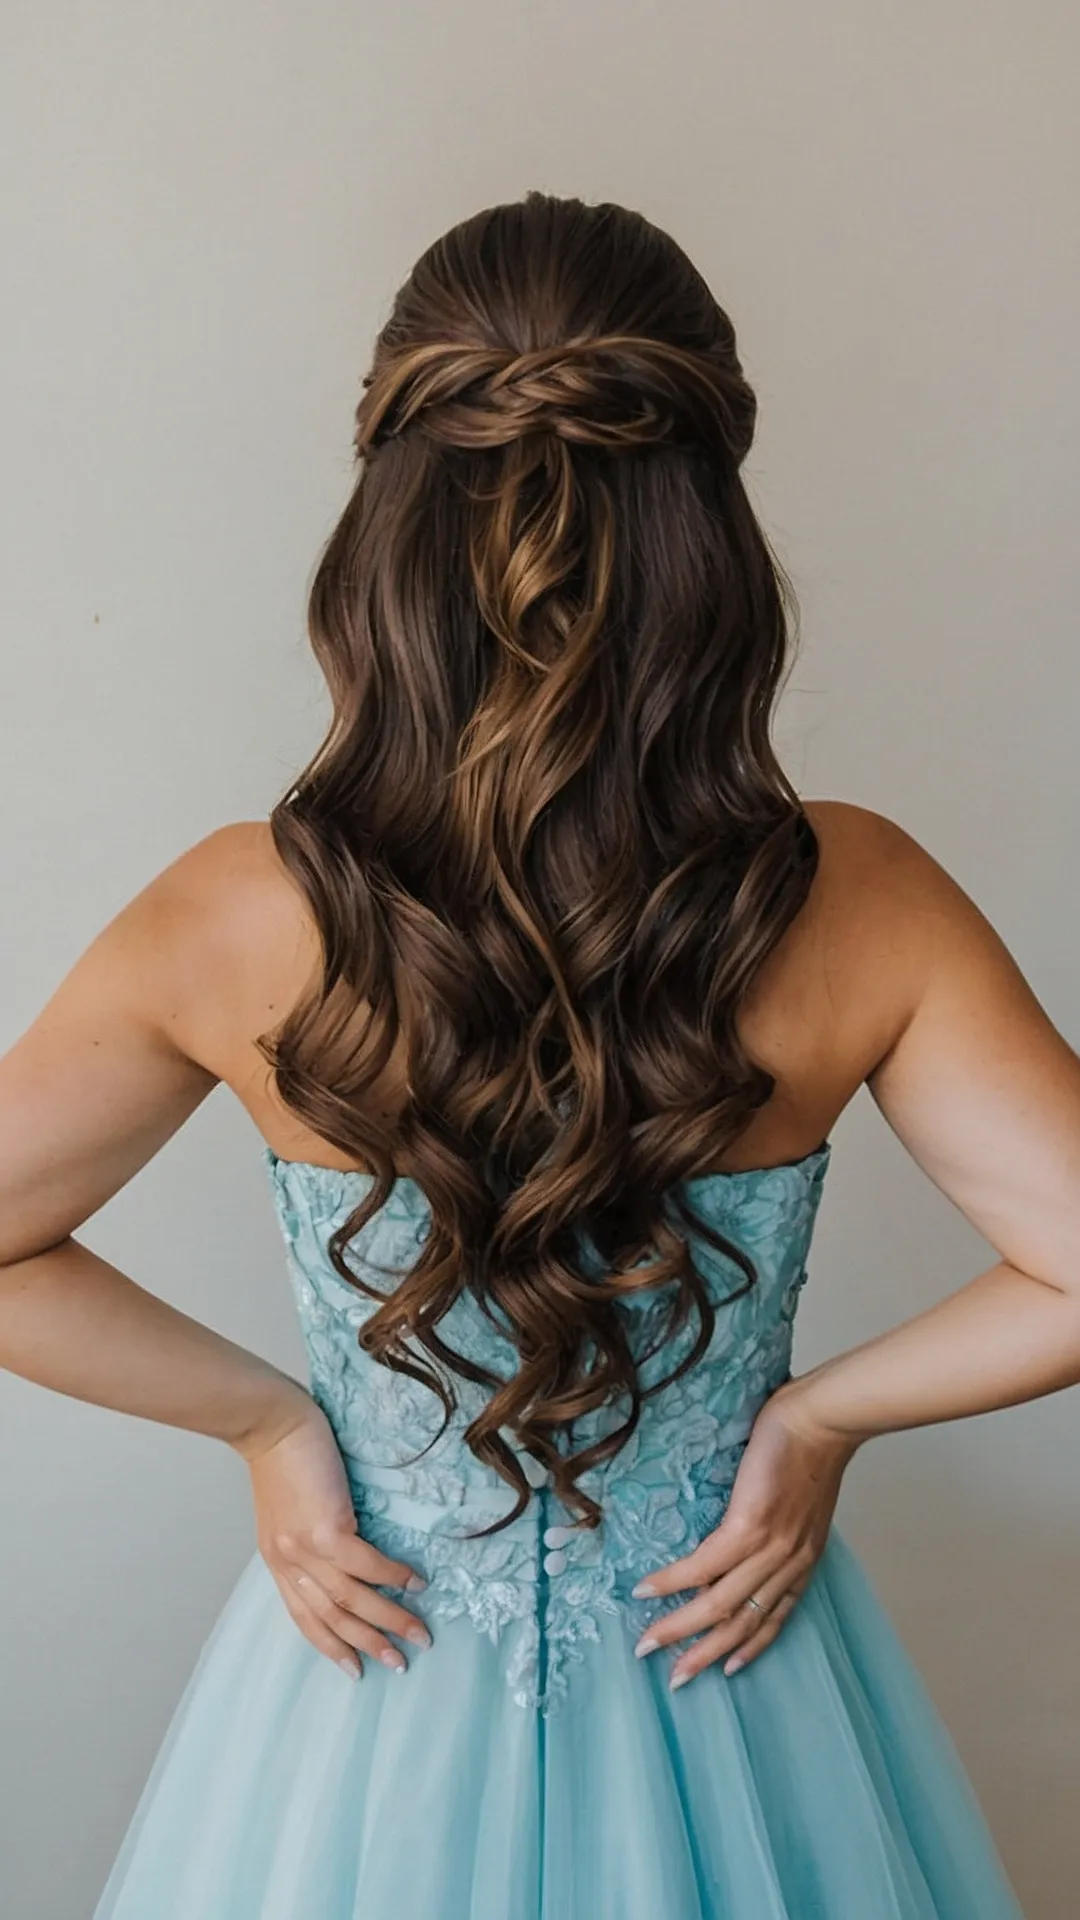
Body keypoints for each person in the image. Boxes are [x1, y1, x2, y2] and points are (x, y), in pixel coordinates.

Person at [1, 188, 1073, 1920]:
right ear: (711, 532)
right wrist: (812, 1428)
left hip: (364, 1694)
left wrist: (273, 1430)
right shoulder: (856, 898)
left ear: (387, 527)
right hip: (736, 1664)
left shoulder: (235, 913)